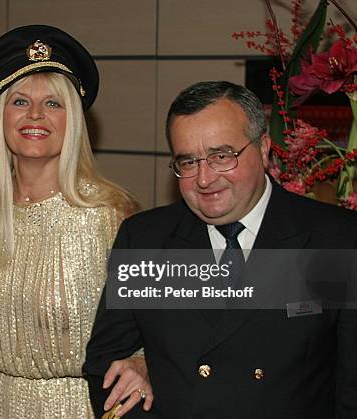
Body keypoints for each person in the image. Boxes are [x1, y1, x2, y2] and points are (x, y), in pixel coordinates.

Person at [84, 81, 357, 418]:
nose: (204, 179)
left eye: (221, 156)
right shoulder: (145, 240)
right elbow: (105, 365)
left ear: (264, 148)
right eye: (187, 162)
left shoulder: (335, 239)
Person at [0, 25, 152, 418]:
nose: (35, 115)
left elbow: (163, 327)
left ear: (74, 120)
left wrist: (143, 363)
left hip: (79, 408)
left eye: (53, 103)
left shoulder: (111, 213)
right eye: (19, 101)